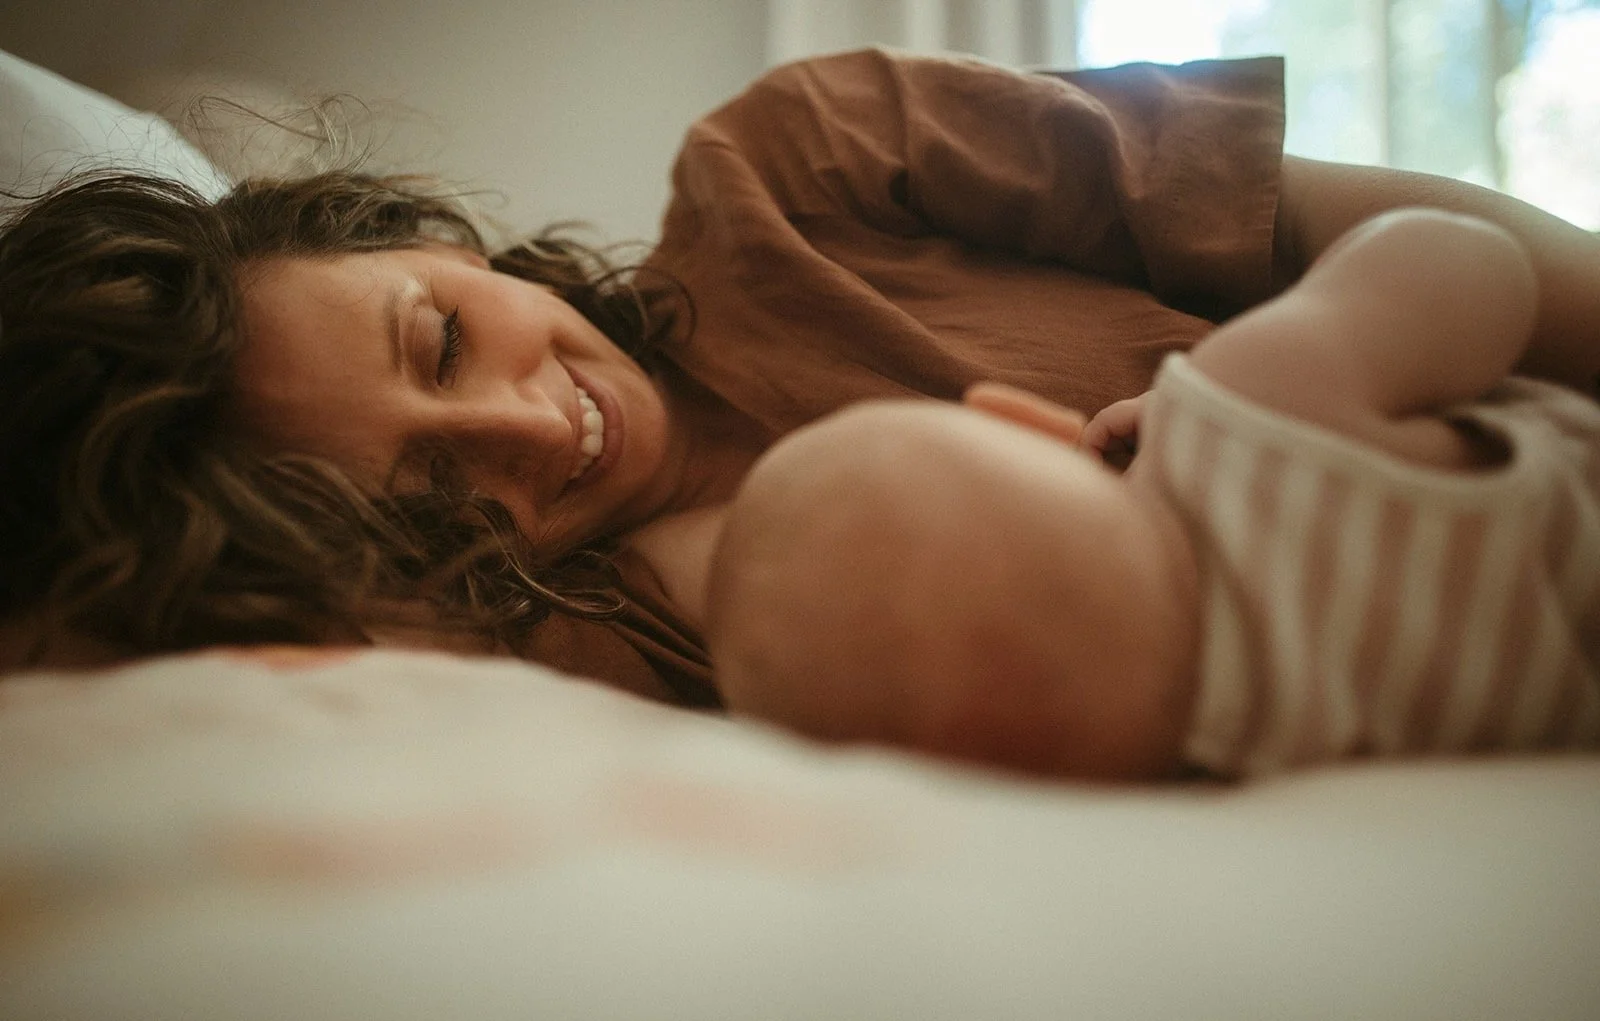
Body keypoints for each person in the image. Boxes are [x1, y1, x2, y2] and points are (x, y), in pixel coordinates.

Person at [3, 49, 1599, 704]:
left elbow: (1328, 221)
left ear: (429, 240)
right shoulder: (587, 633)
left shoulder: (804, 163)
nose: (517, 427)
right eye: (430, 498)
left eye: (439, 338)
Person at [704, 207, 1600, 780]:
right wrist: (1200, 389)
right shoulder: (1251, 411)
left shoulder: (1239, 764)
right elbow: (1473, 264)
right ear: (1029, 426)